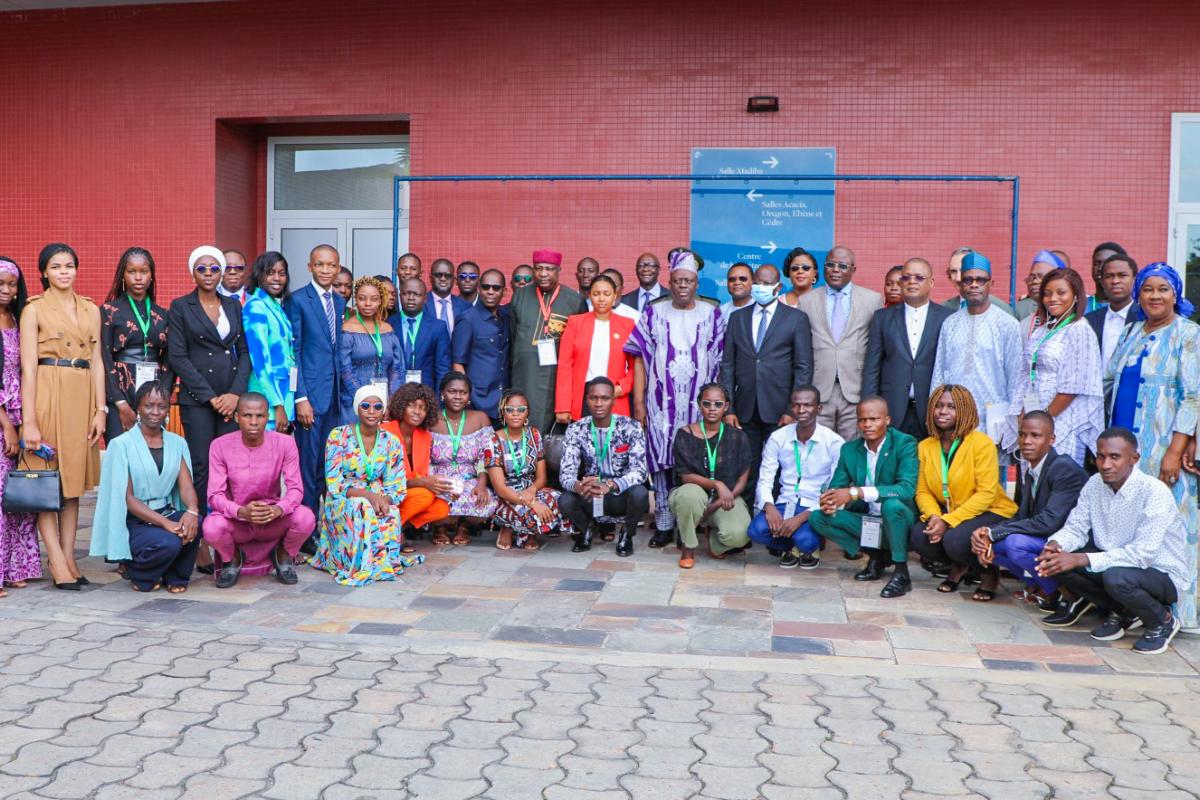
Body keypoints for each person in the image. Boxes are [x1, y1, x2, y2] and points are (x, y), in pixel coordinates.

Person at [1037, 428, 1191, 654]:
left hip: (1160, 573)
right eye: (1101, 456)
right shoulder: (1094, 484)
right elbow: (1076, 527)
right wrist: (1055, 545)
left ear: (1134, 459)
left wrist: (1080, 558)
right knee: (1058, 563)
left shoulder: (1154, 492)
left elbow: (1143, 554)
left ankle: (1162, 620)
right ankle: (1124, 611)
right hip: (1116, 566)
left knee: (1115, 577)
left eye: (1115, 457)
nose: (1106, 464)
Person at [1106, 262, 1199, 628]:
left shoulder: (1188, 334)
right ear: (1138, 294)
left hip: (1162, 451)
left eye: (1163, 289)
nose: (1155, 296)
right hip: (1127, 454)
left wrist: (1175, 451)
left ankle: (1178, 612)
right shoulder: (1131, 330)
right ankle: (1134, 606)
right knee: (1132, 529)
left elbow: (1193, 397)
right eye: (1148, 289)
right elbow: (1110, 380)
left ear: (1175, 294)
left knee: (1169, 529)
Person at [624, 250, 725, 548]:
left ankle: (690, 524)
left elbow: (719, 361)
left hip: (699, 407)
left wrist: (715, 406)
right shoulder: (654, 312)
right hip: (660, 404)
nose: (682, 286)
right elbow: (639, 358)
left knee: (695, 462)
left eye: (688, 281)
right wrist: (640, 403)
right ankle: (665, 525)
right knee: (663, 461)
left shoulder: (711, 313)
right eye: (678, 280)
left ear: (696, 284)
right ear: (670, 282)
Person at [20, 244, 105, 589]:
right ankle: (55, 560)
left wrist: (100, 409)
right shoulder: (33, 310)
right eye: (56, 267)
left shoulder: (90, 308)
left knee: (72, 486)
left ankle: (70, 557)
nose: (64, 272)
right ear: (44, 272)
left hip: (82, 395)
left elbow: (97, 361)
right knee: (45, 482)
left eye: (69, 265)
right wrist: (29, 421)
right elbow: (27, 369)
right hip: (47, 393)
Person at [89, 381, 199, 593]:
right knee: (169, 542)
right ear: (138, 407)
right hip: (135, 520)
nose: (155, 412)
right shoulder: (121, 444)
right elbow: (127, 498)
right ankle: (140, 573)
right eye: (149, 406)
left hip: (165, 510)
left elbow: (185, 486)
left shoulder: (177, 443)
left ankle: (175, 576)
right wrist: (165, 523)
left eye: (162, 406)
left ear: (168, 409)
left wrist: (192, 511)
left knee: (197, 524)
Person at [168, 245, 251, 521]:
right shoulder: (181, 307)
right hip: (198, 400)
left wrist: (235, 394)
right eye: (201, 269)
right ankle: (202, 534)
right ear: (192, 273)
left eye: (214, 268)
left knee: (231, 465)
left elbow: (245, 353)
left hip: (230, 399)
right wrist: (210, 397)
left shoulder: (232, 306)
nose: (208, 273)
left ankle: (228, 526)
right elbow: (178, 357)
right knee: (201, 466)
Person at [910, 385, 1017, 599]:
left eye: (951, 406)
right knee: (919, 537)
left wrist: (948, 521)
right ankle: (960, 565)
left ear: (965, 410)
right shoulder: (925, 446)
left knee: (954, 540)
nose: (943, 411)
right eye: (938, 406)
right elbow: (922, 491)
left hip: (991, 510)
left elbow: (986, 493)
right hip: (951, 512)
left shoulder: (981, 443)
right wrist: (934, 516)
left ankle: (989, 572)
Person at [969, 411, 1086, 608]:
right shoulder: (1032, 469)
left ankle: (1059, 592)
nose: (1026, 441)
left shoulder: (1063, 468)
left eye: (1035, 435)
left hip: (1067, 541)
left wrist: (995, 532)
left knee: (1015, 543)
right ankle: (1038, 586)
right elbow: (1023, 517)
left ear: (1051, 439)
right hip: (1045, 536)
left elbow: (1048, 521)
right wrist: (987, 534)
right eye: (1022, 435)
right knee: (988, 545)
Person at [311, 385, 423, 585]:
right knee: (360, 507)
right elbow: (334, 483)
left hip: (378, 496)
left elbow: (396, 485)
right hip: (345, 498)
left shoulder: (391, 441)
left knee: (391, 511)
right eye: (365, 406)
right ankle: (358, 565)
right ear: (357, 408)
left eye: (378, 406)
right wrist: (368, 496)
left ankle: (382, 563)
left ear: (384, 410)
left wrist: (384, 500)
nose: (372, 411)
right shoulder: (338, 436)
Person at [719, 263, 813, 498]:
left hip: (780, 408)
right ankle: (750, 523)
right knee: (747, 467)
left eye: (767, 283)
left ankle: (776, 521)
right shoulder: (737, 318)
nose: (761, 287)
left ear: (778, 287)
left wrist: (792, 409)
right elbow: (728, 364)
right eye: (758, 282)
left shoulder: (796, 319)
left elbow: (803, 367)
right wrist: (729, 407)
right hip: (745, 408)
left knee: (780, 468)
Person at [203, 393, 316, 588]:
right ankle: (232, 558)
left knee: (306, 517)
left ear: (267, 417)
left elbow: (296, 489)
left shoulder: (285, 443)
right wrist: (240, 511)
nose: (254, 422)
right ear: (237, 417)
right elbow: (214, 496)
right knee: (211, 527)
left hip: (271, 518)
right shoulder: (219, 446)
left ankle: (284, 555)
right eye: (247, 415)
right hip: (238, 520)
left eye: (260, 416)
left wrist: (279, 509)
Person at [810, 397, 919, 597]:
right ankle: (878, 556)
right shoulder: (850, 449)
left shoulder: (904, 443)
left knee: (891, 506)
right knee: (818, 518)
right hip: (870, 519)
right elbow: (837, 486)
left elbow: (906, 489)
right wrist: (830, 502)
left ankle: (902, 573)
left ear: (887, 420)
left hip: (901, 521)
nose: (867, 425)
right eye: (862, 420)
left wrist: (856, 492)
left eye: (874, 419)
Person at [1003, 267, 1104, 467]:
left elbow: (1072, 388)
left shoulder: (1079, 330)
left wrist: (1044, 421)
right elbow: (1026, 373)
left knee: (1055, 478)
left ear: (1076, 295)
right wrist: (1024, 416)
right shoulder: (1043, 330)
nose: (1052, 299)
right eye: (1047, 294)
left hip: (1060, 421)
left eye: (1061, 292)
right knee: (1033, 482)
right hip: (1035, 417)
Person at [931, 252, 1023, 442]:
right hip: (954, 418)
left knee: (988, 471)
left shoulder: (1007, 324)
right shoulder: (950, 323)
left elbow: (1016, 378)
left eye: (980, 280)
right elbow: (939, 373)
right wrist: (935, 412)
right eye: (968, 280)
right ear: (961, 285)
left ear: (991, 283)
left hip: (993, 419)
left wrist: (1014, 422)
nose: (974, 285)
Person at [748, 386, 843, 569]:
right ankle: (789, 548)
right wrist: (769, 507)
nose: (801, 410)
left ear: (819, 408)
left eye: (807, 405)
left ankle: (807, 547)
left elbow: (835, 489)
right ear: (791, 408)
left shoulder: (834, 442)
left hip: (815, 506)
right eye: (797, 405)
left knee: (806, 540)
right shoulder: (778, 437)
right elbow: (765, 478)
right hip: (786, 502)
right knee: (756, 531)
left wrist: (801, 518)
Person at [796, 245, 884, 440]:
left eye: (842, 266)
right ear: (823, 268)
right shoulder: (806, 300)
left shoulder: (872, 299)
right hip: (818, 390)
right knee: (817, 448)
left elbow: (876, 348)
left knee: (852, 450)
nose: (836, 269)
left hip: (855, 389)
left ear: (853, 269)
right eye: (830, 264)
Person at [283, 244, 345, 523]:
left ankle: (321, 525)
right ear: (310, 267)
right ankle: (305, 528)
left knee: (325, 464)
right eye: (320, 264)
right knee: (307, 466)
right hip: (310, 398)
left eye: (331, 265)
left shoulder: (341, 302)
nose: (325, 270)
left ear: (338, 267)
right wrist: (299, 398)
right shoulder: (297, 300)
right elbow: (293, 353)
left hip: (333, 397)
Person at [557, 377, 649, 556]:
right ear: (587, 400)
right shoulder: (576, 429)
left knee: (640, 494)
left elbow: (640, 471)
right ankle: (586, 531)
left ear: (613, 400)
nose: (599, 403)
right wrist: (579, 486)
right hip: (590, 494)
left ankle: (626, 535)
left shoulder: (631, 427)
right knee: (565, 500)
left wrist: (610, 485)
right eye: (594, 398)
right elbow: (566, 473)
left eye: (605, 398)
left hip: (619, 494)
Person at [863, 257, 953, 439]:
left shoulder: (948, 318)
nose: (912, 282)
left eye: (919, 277)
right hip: (892, 408)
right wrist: (869, 407)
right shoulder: (882, 318)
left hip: (932, 409)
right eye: (906, 277)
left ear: (931, 282)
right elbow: (872, 367)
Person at [667, 383, 752, 568]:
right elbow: (686, 477)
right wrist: (718, 485)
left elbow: (743, 477)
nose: (712, 409)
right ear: (699, 405)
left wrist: (719, 501)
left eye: (718, 404)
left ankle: (714, 542)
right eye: (707, 403)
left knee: (741, 534)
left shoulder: (738, 437)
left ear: (726, 407)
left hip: (725, 499)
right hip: (693, 496)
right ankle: (688, 548)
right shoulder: (685, 434)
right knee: (689, 494)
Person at [508, 249, 587, 433]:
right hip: (524, 374)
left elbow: (579, 345)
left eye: (549, 269)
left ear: (559, 270)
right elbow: (512, 334)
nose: (543, 273)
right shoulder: (520, 295)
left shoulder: (574, 300)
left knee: (550, 429)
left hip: (556, 376)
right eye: (539, 268)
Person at [99, 247, 173, 444]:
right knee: (121, 453)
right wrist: (120, 404)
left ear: (151, 276)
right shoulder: (109, 311)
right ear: (123, 275)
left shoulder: (163, 315)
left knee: (152, 453)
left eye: (144, 272)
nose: (138, 277)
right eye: (132, 272)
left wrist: (162, 396)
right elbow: (104, 357)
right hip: (119, 395)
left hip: (155, 398)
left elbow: (169, 359)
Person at [485, 389, 572, 550]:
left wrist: (532, 491)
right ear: (503, 413)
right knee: (535, 514)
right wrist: (533, 503)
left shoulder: (534, 435)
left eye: (521, 409)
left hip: (530, 489)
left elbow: (541, 478)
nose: (515, 413)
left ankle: (527, 532)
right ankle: (509, 527)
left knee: (559, 500)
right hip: (507, 495)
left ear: (527, 413)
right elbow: (500, 488)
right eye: (510, 409)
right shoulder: (493, 440)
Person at [0, 258, 36, 597]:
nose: (7, 290)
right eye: (1, 284)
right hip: (2, 417)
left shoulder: (18, 317)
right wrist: (7, 427)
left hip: (22, 413)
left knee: (18, 494)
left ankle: (14, 567)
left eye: (12, 283)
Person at [428, 372, 498, 546]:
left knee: (485, 500)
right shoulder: (430, 419)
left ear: (469, 396)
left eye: (463, 392)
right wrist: (431, 482)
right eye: (452, 391)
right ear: (442, 394)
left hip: (470, 478)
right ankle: (440, 527)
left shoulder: (480, 418)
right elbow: (424, 457)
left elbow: (487, 455)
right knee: (433, 499)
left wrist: (481, 484)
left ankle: (464, 526)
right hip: (438, 478)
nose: (458, 396)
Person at [555, 275, 636, 423]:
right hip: (584, 398)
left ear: (615, 296)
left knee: (613, 444)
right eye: (596, 294)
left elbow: (635, 366)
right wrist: (563, 406)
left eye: (607, 294)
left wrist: (622, 388)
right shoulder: (576, 322)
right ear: (589, 296)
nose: (601, 299)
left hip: (614, 396)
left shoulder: (627, 325)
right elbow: (565, 366)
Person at [380, 383, 451, 540]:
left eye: (422, 408)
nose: (417, 412)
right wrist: (424, 483)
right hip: (385, 493)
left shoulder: (425, 436)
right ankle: (391, 532)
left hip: (408, 492)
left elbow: (420, 474)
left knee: (442, 508)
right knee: (424, 495)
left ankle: (399, 528)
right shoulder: (385, 432)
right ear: (401, 406)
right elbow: (385, 481)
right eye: (412, 406)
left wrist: (438, 485)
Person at [242, 251, 296, 433]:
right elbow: (260, 361)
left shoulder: (275, 306)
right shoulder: (256, 306)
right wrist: (277, 405)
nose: (277, 278)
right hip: (267, 403)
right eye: (270, 272)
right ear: (259, 275)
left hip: (284, 397)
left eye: (282, 273)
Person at [338, 276, 402, 423]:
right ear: (355, 299)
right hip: (355, 404)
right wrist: (365, 401)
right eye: (362, 298)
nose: (368, 304)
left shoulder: (388, 330)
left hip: (384, 405)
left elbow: (396, 369)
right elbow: (345, 371)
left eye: (373, 299)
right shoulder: (347, 330)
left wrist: (391, 401)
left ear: (381, 301)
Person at [452, 269, 510, 422]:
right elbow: (458, 364)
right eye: (486, 287)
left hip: (503, 401)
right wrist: (467, 398)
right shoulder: (467, 319)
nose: (490, 292)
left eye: (496, 288)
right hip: (478, 402)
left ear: (504, 292)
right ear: (479, 289)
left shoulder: (506, 317)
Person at [390, 277, 451, 391]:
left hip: (426, 394)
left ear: (425, 298)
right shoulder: (388, 324)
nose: (411, 298)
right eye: (406, 293)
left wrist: (438, 401)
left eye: (417, 294)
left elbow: (442, 368)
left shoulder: (438, 327)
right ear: (399, 296)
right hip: (395, 393)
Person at [1085, 253, 1137, 386]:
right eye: (1109, 276)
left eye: (1122, 275)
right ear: (1102, 282)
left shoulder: (1145, 319)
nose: (1115, 281)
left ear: (1135, 279)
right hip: (1095, 396)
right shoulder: (1088, 321)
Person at [943, 247, 1015, 316]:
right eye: (953, 271)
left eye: (963, 270)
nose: (958, 278)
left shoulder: (1003, 310)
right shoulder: (943, 308)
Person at [1015, 250, 1065, 325]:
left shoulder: (1074, 322)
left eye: (1041, 276)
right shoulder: (1025, 323)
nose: (1034, 281)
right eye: (1032, 277)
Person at [426, 258, 471, 335]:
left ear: (454, 279)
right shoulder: (421, 303)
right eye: (438, 275)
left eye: (448, 276)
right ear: (430, 278)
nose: (443, 279)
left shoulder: (466, 306)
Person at [1088, 241, 1126, 311]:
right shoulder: (1080, 306)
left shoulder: (1134, 308)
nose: (1100, 268)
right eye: (1097, 263)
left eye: (1107, 263)